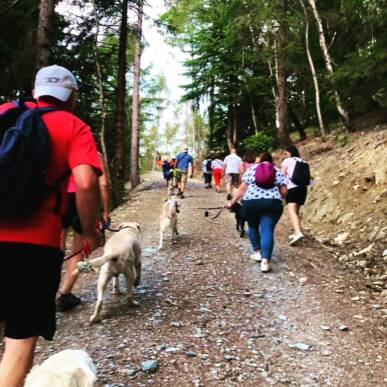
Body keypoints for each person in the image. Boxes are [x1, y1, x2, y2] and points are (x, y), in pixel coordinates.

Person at [0, 65, 102, 387]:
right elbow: (86, 183)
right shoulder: (74, 126)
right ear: (71, 96)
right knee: (18, 340)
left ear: (35, 91)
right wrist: (89, 232)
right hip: (33, 248)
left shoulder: (4, 113)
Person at [57, 152, 110, 312]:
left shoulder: (59, 147)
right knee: (79, 248)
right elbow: (103, 184)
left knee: (56, 245)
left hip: (59, 196)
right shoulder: (94, 153)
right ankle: (65, 294)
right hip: (82, 198)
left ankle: (44, 290)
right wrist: (105, 211)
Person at [226, 151, 287, 272]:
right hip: (272, 203)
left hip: (251, 203)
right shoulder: (277, 171)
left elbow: (242, 188)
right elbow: (284, 191)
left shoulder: (252, 169)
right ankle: (265, 261)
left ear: (259, 159)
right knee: (267, 230)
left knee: (253, 227)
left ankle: (257, 252)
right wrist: (278, 198)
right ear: (270, 160)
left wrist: (232, 202)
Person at [281, 145, 309, 245]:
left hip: (292, 188)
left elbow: (282, 175)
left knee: (292, 211)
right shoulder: (304, 161)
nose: (285, 155)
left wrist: (281, 189)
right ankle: (296, 231)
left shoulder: (287, 161)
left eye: (285, 153)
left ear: (289, 152)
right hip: (303, 189)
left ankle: (298, 233)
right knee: (296, 211)